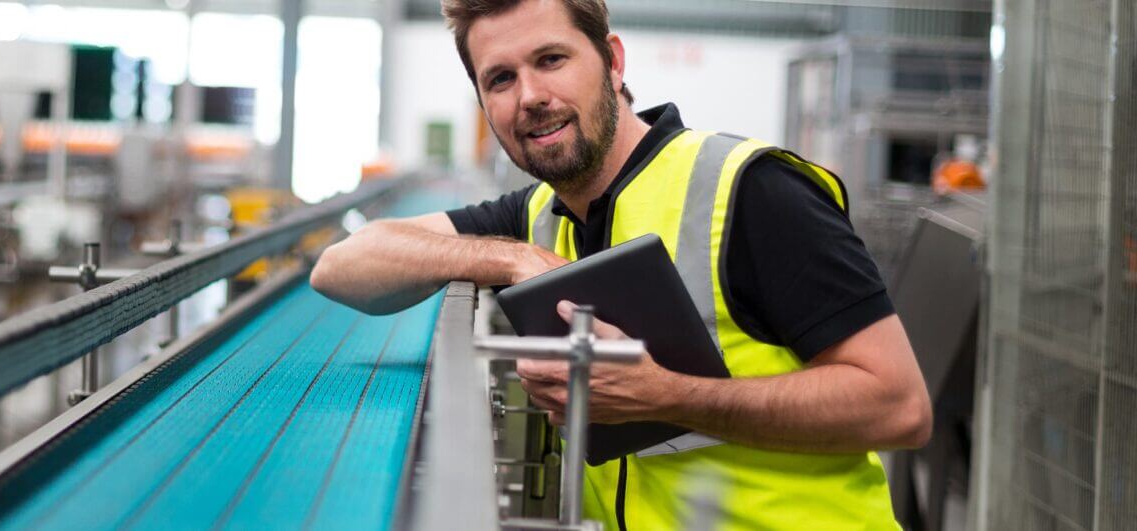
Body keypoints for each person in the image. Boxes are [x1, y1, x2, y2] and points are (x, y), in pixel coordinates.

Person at [309, 0, 931, 528]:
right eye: (500, 79)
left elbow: (899, 407)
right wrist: (515, 258)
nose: (530, 97)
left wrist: (669, 396)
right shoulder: (537, 217)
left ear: (612, 61)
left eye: (551, 60)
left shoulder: (750, 191)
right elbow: (343, 265)